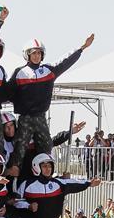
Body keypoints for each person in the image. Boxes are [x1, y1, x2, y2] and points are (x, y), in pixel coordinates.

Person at [6, 34, 95, 174]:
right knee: (20, 147)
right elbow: (7, 92)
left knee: (47, 146)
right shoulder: (19, 72)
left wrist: (82, 48)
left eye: (39, 53)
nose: (36, 56)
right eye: (33, 53)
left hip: (41, 116)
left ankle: (47, 175)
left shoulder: (49, 70)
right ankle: (13, 175)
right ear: (27, 55)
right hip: (25, 117)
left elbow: (65, 61)